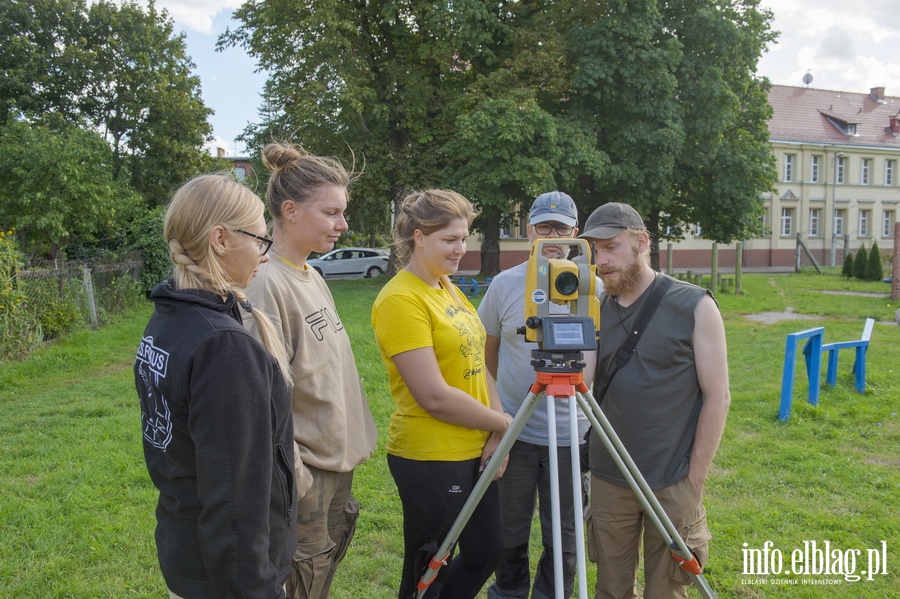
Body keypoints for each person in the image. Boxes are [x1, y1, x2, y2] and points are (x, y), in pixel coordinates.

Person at [134, 173, 296, 599]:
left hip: (188, 553)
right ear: (220, 239)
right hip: (228, 579)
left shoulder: (169, 315)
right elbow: (234, 498)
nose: (266, 253)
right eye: (260, 239)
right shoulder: (222, 346)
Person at [243, 142, 378, 599]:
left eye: (343, 212)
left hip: (337, 464)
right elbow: (263, 397)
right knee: (300, 582)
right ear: (290, 210)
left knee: (321, 573)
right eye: (331, 212)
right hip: (305, 474)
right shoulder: (265, 283)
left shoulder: (312, 274)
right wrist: (297, 479)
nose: (343, 224)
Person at [579, 202, 731, 599]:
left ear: (641, 242)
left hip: (672, 478)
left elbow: (718, 396)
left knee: (666, 592)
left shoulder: (695, 304)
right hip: (610, 477)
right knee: (611, 590)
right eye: (596, 250)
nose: (602, 260)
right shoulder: (595, 308)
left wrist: (694, 479)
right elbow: (582, 379)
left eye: (611, 247)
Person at [371, 189, 513, 599]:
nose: (461, 249)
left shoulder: (447, 287)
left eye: (464, 238)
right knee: (428, 568)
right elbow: (432, 394)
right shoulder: (401, 298)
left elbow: (478, 362)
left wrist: (498, 433)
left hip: (476, 445)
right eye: (449, 240)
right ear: (418, 236)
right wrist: (504, 424)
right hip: (431, 454)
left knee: (486, 553)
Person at [477, 191, 600, 599]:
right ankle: (509, 592)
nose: (552, 235)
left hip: (571, 430)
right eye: (544, 226)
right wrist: (500, 412)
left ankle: (555, 594)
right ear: (529, 229)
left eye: (561, 228)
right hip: (517, 427)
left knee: (565, 529)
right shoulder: (504, 285)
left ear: (574, 234)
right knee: (509, 525)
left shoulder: (594, 286)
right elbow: (487, 352)